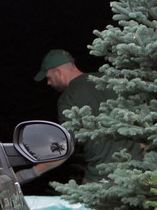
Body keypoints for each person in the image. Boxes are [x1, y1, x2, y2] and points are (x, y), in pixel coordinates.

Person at [31, 48, 141, 183]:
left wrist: (32, 172)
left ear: (58, 72)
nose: (48, 83)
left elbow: (65, 147)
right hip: (137, 169)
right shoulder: (109, 80)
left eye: (48, 77)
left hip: (101, 176)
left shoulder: (68, 99)